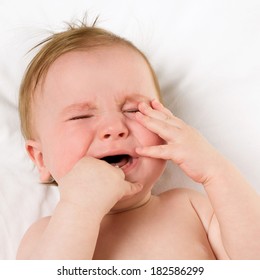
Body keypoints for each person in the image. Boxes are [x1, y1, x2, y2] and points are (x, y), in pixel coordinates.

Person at [17, 20, 260, 260]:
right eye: (81, 116)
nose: (114, 128)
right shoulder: (43, 237)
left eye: (133, 110)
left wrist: (215, 171)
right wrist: (79, 209)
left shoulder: (191, 209)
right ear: (41, 159)